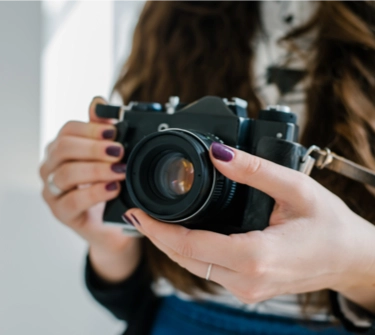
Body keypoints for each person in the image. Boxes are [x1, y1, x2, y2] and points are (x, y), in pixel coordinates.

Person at [39, 0, 375, 334]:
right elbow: (133, 302)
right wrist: (113, 241)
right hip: (176, 319)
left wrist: (357, 264)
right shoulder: (174, 14)